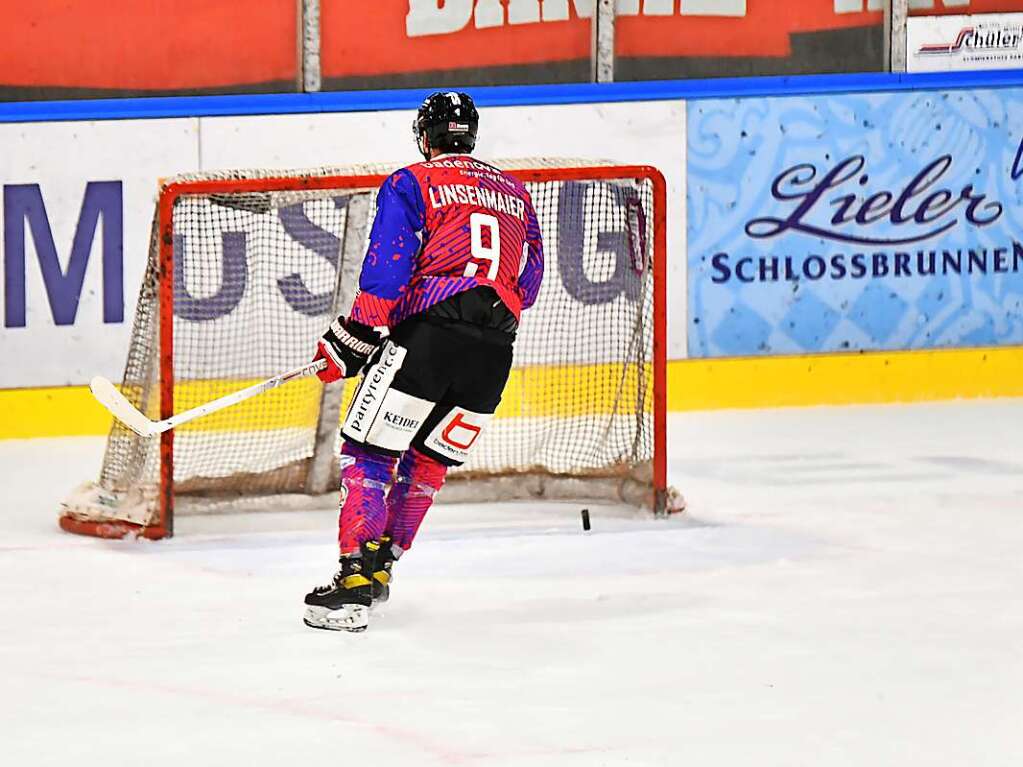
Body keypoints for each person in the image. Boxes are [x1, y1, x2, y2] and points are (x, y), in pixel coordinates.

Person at [303, 92, 545, 632]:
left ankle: (353, 584)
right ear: (471, 135)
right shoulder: (517, 194)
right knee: (428, 464)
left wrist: (359, 332)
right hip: (494, 352)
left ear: (425, 135)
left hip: (428, 340)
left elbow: (390, 263)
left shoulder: (413, 181)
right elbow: (528, 282)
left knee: (368, 453)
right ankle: (382, 567)